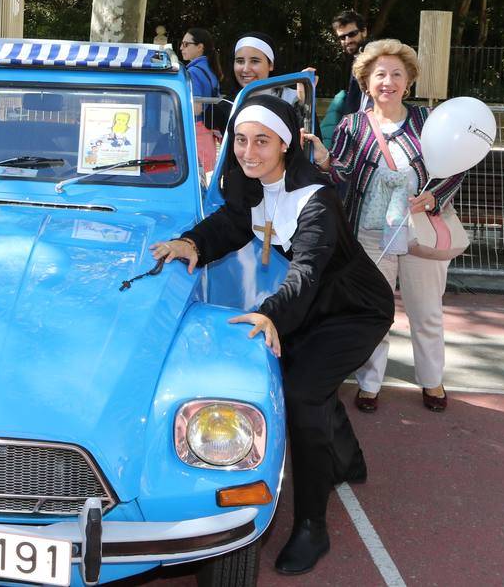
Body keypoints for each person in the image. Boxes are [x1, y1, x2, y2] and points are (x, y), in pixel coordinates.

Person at [151, 96, 393, 575]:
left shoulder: (316, 198)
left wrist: (270, 315)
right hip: (315, 304)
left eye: (261, 141)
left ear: (285, 144)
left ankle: (311, 526)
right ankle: (348, 460)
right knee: (306, 375)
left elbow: (306, 270)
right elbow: (232, 222)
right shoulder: (254, 185)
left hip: (355, 309)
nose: (248, 152)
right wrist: (191, 243)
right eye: (241, 140)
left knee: (302, 391)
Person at [303, 39, 465, 414]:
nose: (388, 82)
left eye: (396, 74)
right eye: (380, 74)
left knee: (426, 312)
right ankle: (369, 382)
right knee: (373, 312)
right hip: (370, 234)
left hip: (420, 231)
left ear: (408, 81)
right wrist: (326, 161)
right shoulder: (352, 125)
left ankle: (432, 379)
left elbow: (456, 165)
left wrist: (435, 196)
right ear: (366, 81)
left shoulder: (428, 121)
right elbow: (343, 174)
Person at [320, 10, 370, 149]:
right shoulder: (359, 57)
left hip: (368, 133)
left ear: (364, 31)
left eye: (352, 34)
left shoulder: (372, 58)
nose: (347, 40)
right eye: (342, 37)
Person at [180, 28, 222, 176]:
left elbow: (196, 108)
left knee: (196, 175)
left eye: (186, 44)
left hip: (196, 130)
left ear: (200, 47)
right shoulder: (209, 68)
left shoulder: (192, 72)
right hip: (208, 129)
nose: (181, 48)